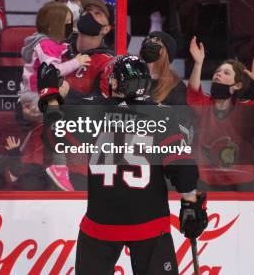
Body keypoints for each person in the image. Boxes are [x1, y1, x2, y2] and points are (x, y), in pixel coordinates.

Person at [37, 57, 207, 274]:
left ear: (115, 83)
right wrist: (190, 203)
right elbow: (182, 167)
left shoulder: (92, 112)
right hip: (150, 222)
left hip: (101, 223)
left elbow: (54, 138)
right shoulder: (163, 114)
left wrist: (52, 98)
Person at [187, 37, 254, 191]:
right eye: (217, 72)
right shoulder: (205, 105)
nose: (218, 74)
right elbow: (193, 94)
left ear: (238, 85)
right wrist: (198, 64)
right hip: (207, 181)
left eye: (226, 73)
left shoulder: (247, 109)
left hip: (243, 182)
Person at [19, 1, 90, 191]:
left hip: (34, 94)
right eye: (67, 22)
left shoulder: (46, 43)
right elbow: (53, 70)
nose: (70, 27)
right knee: (61, 122)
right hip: (36, 94)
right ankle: (58, 165)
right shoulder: (45, 44)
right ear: (53, 24)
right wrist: (77, 61)